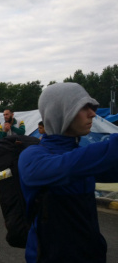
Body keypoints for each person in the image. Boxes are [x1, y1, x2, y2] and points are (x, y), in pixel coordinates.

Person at [18, 82, 118, 263]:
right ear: (60, 112)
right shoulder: (33, 157)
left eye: (93, 107)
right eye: (83, 107)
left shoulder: (82, 156)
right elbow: (70, 166)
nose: (93, 114)